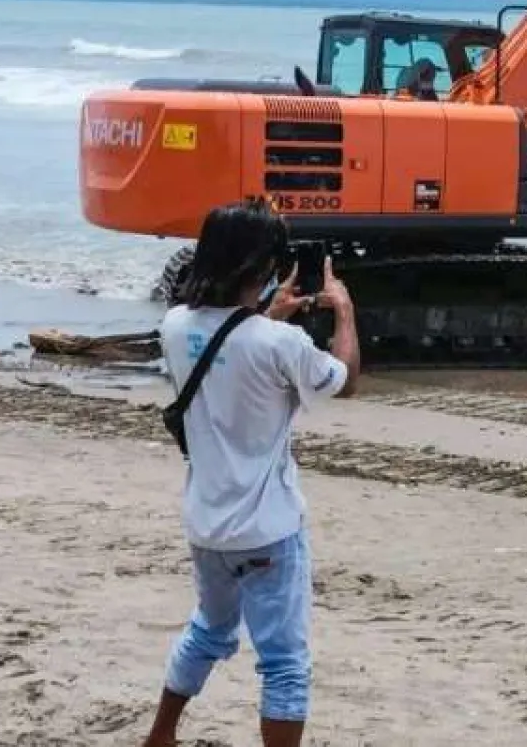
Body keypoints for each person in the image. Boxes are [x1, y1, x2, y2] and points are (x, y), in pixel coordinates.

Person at [141, 197, 360, 747]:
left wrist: (265, 315)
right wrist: (344, 310)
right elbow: (346, 377)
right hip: (267, 528)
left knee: (210, 629)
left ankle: (161, 735)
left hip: (206, 525)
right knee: (284, 662)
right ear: (263, 268)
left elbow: (226, 351)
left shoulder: (173, 326)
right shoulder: (279, 343)